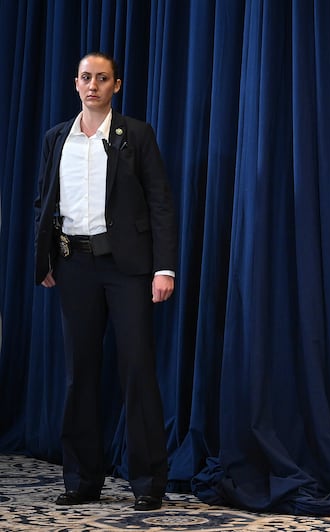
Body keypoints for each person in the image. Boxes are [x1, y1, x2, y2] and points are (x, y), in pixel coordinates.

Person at [33, 52, 178, 511]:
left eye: (101, 78)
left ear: (117, 85)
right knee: (81, 374)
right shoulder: (57, 138)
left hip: (127, 269)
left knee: (136, 369)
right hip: (74, 266)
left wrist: (164, 267)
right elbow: (43, 201)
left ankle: (148, 482)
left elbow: (160, 203)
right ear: (75, 83)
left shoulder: (135, 135)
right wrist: (46, 260)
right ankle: (81, 479)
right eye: (85, 77)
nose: (92, 85)